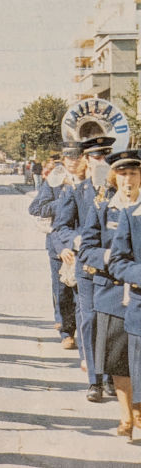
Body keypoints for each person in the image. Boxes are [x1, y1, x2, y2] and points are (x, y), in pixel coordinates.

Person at [81, 149, 141, 438]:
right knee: (119, 359)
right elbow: (87, 249)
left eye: (133, 173)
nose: (127, 179)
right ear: (114, 177)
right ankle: (126, 414)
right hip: (112, 291)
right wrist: (114, 257)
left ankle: (139, 412)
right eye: (122, 174)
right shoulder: (103, 206)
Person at [52, 135, 115, 402]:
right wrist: (74, 241)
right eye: (96, 157)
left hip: (114, 265)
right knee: (89, 320)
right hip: (87, 265)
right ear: (86, 161)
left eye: (106, 157)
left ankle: (113, 376)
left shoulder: (118, 191)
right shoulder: (75, 191)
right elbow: (61, 227)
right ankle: (95, 380)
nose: (101, 162)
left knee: (112, 323)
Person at [29, 150, 78, 354]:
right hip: (58, 242)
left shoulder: (92, 180)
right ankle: (66, 331)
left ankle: (76, 327)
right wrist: (67, 199)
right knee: (62, 289)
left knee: (80, 291)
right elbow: (36, 208)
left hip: (82, 242)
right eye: (70, 159)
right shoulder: (56, 181)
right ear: (64, 161)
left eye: (78, 158)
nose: (74, 162)